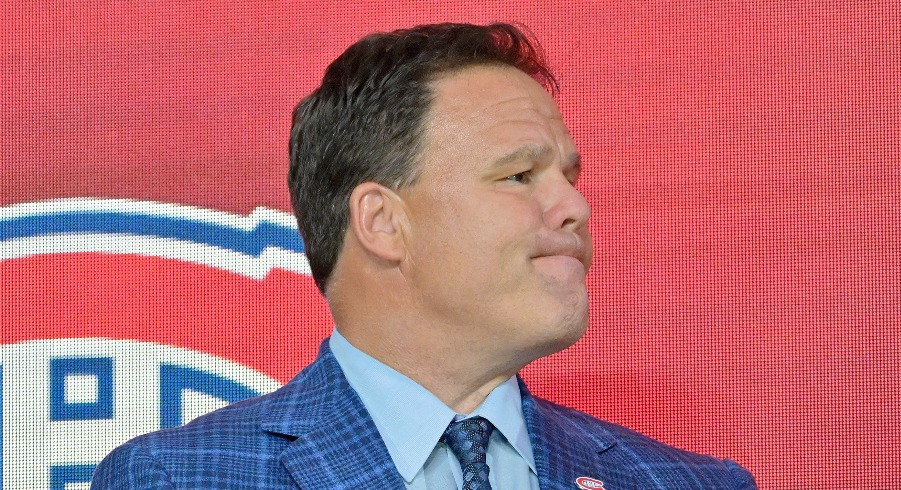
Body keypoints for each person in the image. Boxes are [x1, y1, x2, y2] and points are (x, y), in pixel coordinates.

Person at [92, 23, 756, 489]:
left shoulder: (688, 482)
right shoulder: (183, 477)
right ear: (382, 223)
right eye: (518, 176)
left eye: (568, 177)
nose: (574, 208)